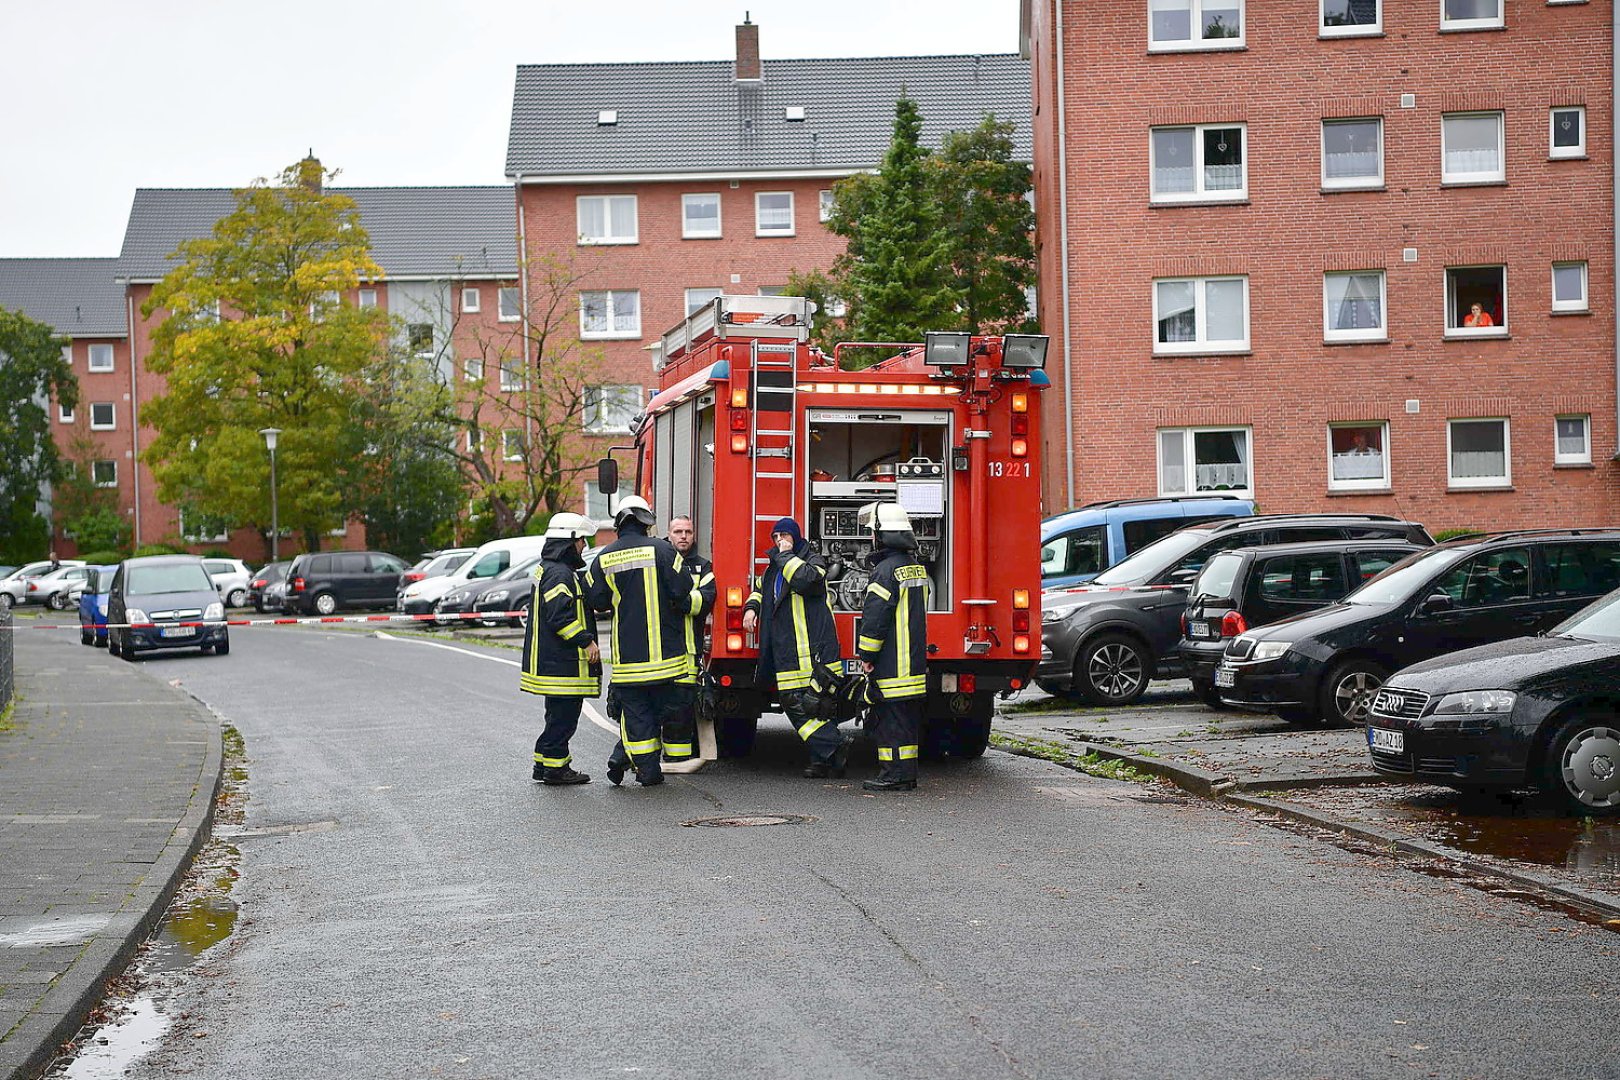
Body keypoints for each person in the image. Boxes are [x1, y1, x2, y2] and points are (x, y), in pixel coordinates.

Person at [584, 496, 690, 787]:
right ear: (646, 523)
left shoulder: (603, 557)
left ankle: (643, 769)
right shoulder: (664, 550)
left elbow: (596, 600)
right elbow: (684, 588)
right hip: (667, 660)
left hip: (628, 661)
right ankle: (627, 760)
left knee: (636, 715)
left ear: (618, 524)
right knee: (656, 712)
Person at [742, 517, 853, 778]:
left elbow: (807, 581)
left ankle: (825, 756)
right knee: (794, 701)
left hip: (814, 650)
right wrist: (751, 608)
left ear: (795, 537)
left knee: (819, 705)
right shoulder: (774, 566)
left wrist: (785, 556)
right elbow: (761, 590)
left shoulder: (811, 560)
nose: (779, 540)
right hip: (787, 649)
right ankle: (831, 751)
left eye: (785, 535)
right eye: (775, 536)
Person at [519, 512, 599, 786]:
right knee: (563, 720)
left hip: (552, 662)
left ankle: (543, 765)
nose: (584, 547)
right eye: (582, 541)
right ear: (570, 541)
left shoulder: (549, 568)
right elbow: (560, 617)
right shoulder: (560, 574)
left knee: (555, 716)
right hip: (562, 664)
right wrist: (586, 640)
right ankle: (556, 769)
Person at [855, 502, 930, 793]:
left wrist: (866, 655)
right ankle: (906, 773)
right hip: (912, 662)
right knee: (906, 722)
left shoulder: (885, 572)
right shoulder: (915, 568)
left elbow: (875, 618)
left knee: (890, 723)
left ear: (881, 535)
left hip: (891, 663)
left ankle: (893, 775)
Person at [665, 515, 715, 767]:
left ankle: (678, 759)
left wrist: (676, 603)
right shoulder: (659, 560)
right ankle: (644, 759)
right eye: (678, 531)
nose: (683, 536)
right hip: (658, 652)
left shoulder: (703, 567)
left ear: (694, 535)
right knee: (653, 707)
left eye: (688, 532)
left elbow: (706, 599)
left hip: (687, 651)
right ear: (669, 534)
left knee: (682, 708)